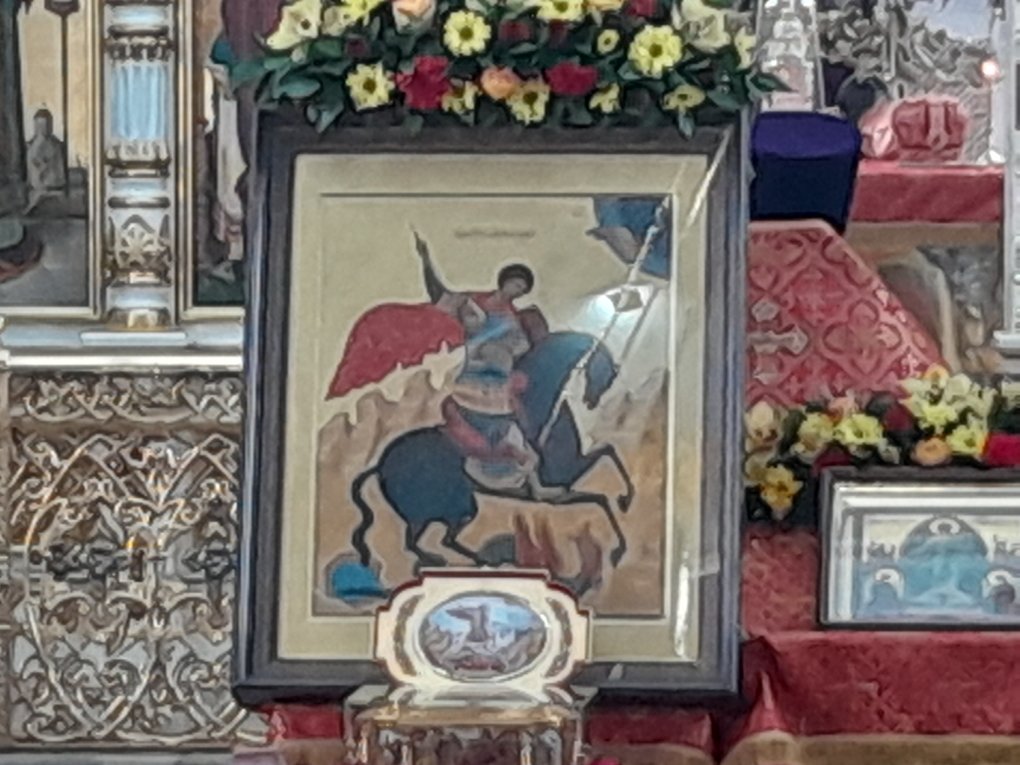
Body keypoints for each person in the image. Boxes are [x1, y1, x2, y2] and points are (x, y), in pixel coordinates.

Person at [414, 231, 562, 500]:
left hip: (500, 383)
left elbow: (523, 351)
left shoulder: (516, 319)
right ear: (504, 281)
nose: (516, 291)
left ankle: (535, 485)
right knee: (482, 427)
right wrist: (426, 261)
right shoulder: (471, 304)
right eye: (515, 284)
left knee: (516, 429)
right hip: (473, 379)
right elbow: (439, 294)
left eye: (521, 289)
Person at [24, 109, 67, 213]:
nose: (42, 129)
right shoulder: (30, 145)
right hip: (35, 188)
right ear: (35, 126)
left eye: (46, 125)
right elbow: (31, 168)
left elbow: (54, 168)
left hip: (51, 186)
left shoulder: (55, 145)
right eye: (39, 125)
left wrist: (42, 165)